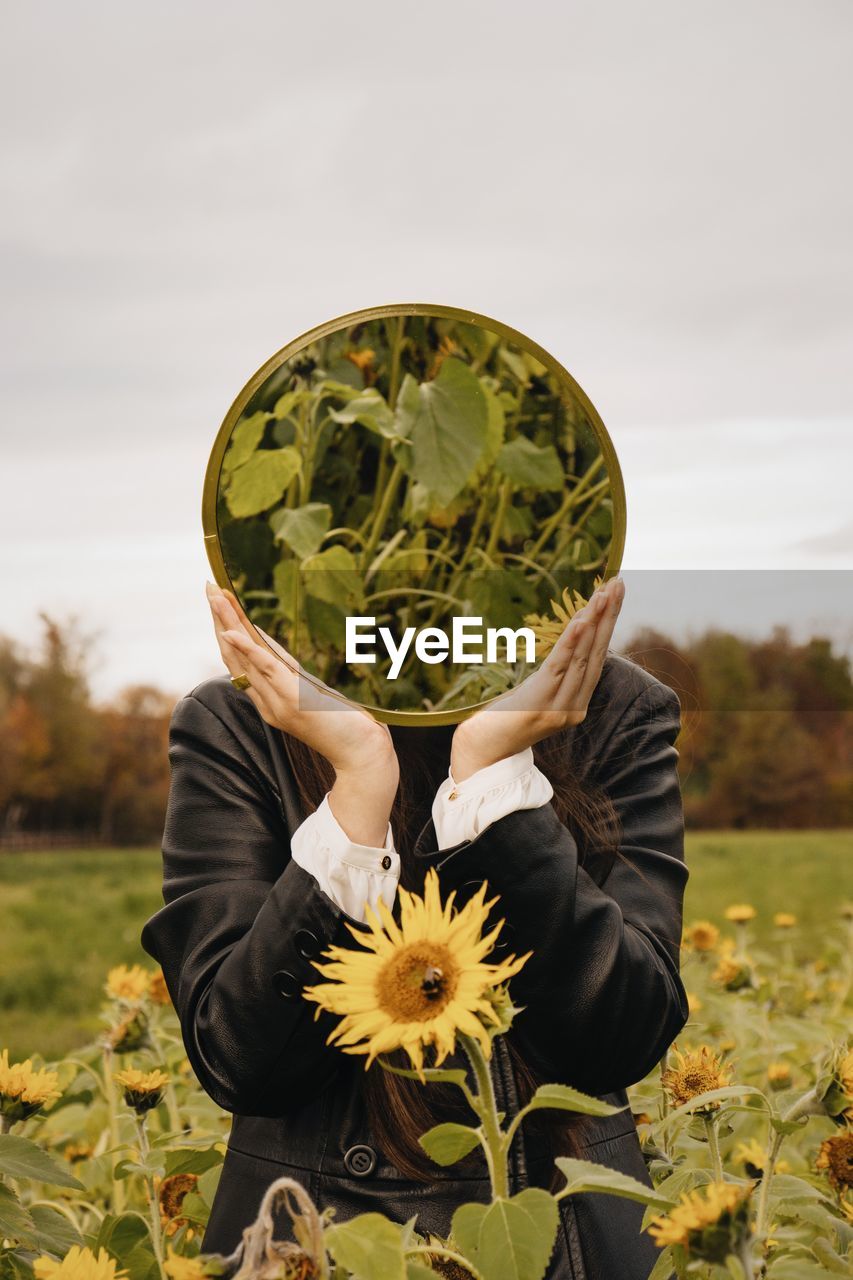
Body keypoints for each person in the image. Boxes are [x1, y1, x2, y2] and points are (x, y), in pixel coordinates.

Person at [140, 573, 688, 1280]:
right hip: (321, 1244)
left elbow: (621, 1032)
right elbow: (241, 1058)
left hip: (569, 1242)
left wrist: (491, 785)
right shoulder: (243, 724)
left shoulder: (607, 708)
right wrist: (358, 788)